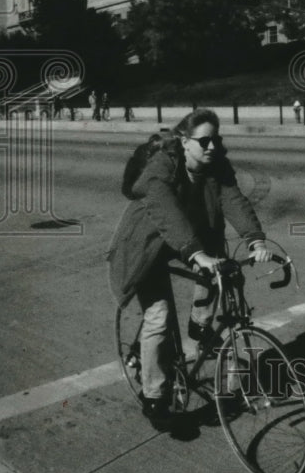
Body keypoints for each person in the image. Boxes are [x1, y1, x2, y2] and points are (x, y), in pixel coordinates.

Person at [107, 108, 270, 428]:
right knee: (159, 315)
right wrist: (194, 253)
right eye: (205, 141)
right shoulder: (162, 165)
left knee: (222, 271)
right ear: (184, 141)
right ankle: (154, 395)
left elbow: (233, 199)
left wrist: (254, 239)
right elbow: (165, 209)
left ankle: (199, 327)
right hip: (149, 244)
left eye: (216, 140)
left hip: (192, 239)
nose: (212, 147)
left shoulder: (216, 164)